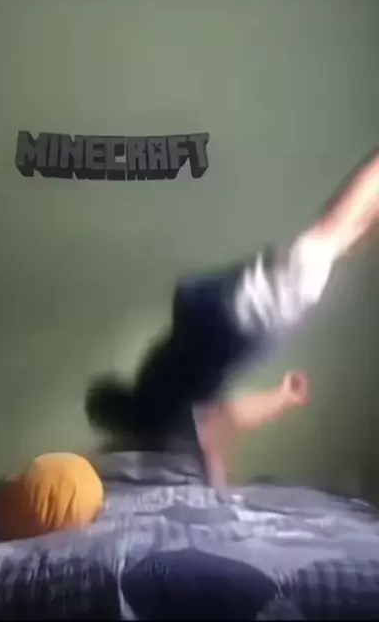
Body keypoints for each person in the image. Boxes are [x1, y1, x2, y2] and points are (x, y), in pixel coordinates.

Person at [86, 148, 379, 486]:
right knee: (331, 242)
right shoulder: (149, 384)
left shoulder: (165, 423)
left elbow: (222, 419)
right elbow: (218, 414)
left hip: (239, 320)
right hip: (211, 306)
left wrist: (218, 481)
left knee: (324, 240)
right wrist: (281, 398)